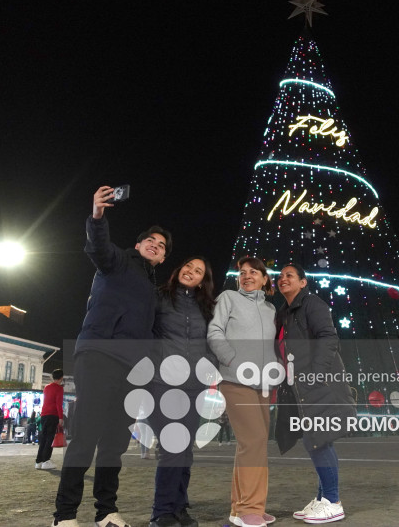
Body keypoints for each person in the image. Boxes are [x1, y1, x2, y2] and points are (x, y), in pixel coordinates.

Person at [53, 185, 172, 527]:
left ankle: (106, 511)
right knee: (86, 436)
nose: (155, 245)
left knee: (115, 442)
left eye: (161, 246)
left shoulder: (153, 292)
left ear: (163, 258)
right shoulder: (119, 261)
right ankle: (64, 515)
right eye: (150, 240)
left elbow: (154, 335)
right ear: (138, 246)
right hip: (99, 355)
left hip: (132, 368)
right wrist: (97, 215)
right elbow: (98, 248)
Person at [274, 263, 356, 525]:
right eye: (281, 276)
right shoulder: (285, 312)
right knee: (315, 439)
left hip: (320, 383)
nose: (283, 279)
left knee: (318, 439)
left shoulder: (312, 304)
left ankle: (332, 501)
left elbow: (329, 337)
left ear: (303, 282)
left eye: (290, 275)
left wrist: (317, 374)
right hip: (302, 386)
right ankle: (323, 498)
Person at [208, 256, 278, 527]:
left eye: (253, 272)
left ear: (264, 279)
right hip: (235, 380)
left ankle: (241, 508)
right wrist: (231, 360)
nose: (247, 276)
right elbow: (214, 331)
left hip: (263, 386)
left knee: (251, 444)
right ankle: (251, 507)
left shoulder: (271, 310)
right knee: (255, 440)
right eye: (242, 272)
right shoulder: (228, 298)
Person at [147, 256, 216, 527]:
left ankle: (179, 508)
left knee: (185, 451)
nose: (192, 272)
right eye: (188, 266)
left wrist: (209, 365)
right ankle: (161, 512)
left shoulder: (206, 307)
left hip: (194, 386)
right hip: (163, 382)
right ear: (179, 269)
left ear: (203, 281)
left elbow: (213, 340)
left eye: (199, 271)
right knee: (172, 447)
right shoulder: (159, 297)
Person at [36, 370, 65, 468]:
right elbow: (58, 404)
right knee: (50, 438)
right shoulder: (59, 389)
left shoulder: (46, 387)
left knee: (44, 438)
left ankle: (38, 461)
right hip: (53, 415)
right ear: (61, 378)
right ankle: (46, 460)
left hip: (44, 414)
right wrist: (61, 417)